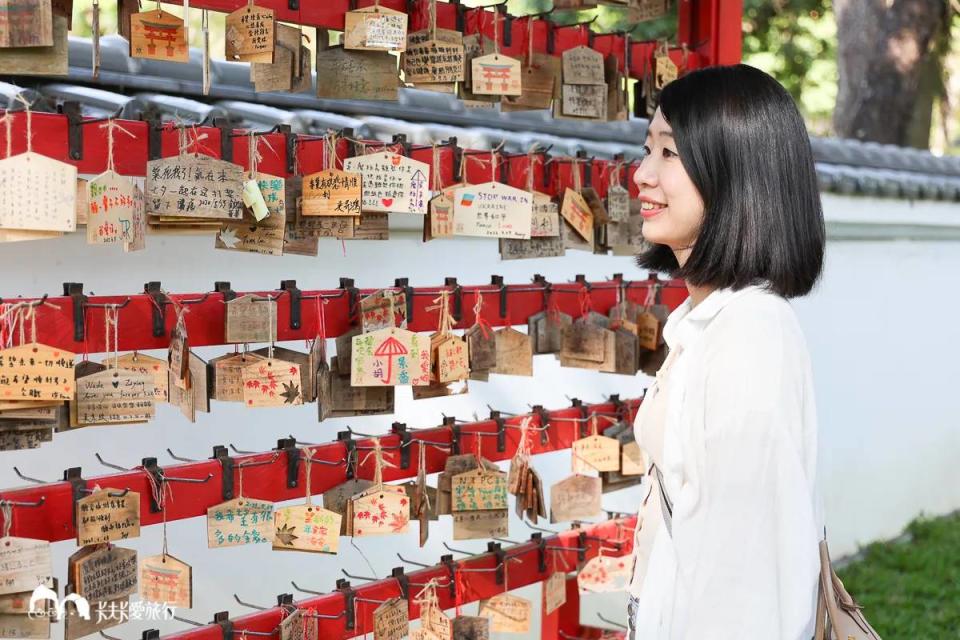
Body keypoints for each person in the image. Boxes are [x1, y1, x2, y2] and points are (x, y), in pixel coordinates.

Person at [627, 64, 826, 639]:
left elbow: (749, 576)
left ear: (734, 173)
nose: (641, 175)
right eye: (647, 150)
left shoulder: (750, 335)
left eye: (669, 154)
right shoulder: (708, 324)